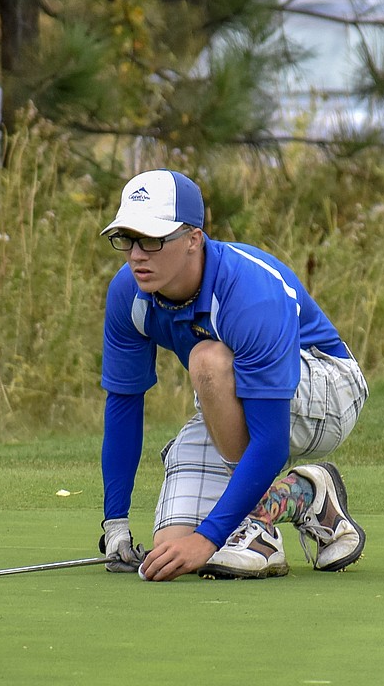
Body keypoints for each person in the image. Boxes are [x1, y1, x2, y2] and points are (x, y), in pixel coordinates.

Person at [97, 169, 369, 581]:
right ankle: (310, 497)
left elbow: (271, 440)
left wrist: (212, 536)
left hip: (327, 386)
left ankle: (258, 524)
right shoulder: (128, 294)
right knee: (172, 548)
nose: (137, 254)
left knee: (207, 360)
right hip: (227, 398)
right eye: (128, 238)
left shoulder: (248, 291)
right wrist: (115, 524)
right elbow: (123, 404)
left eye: (153, 239)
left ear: (193, 238)